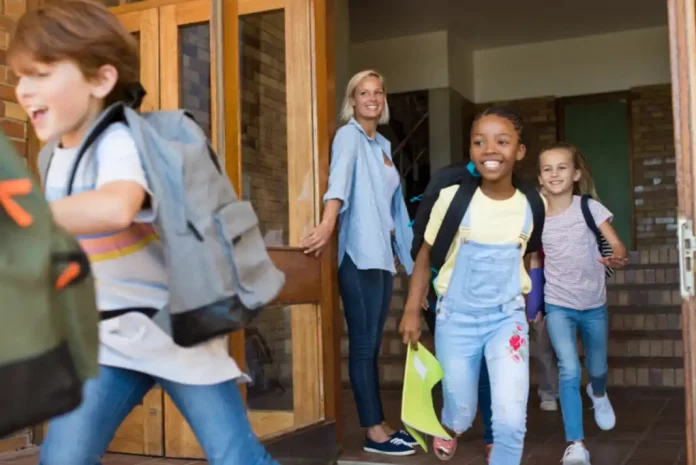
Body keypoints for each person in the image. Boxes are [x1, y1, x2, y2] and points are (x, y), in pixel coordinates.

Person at [8, 2, 279, 464]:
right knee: (62, 459)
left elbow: (118, 205)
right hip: (109, 343)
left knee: (236, 456)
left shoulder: (119, 140)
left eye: (42, 73)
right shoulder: (54, 158)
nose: (24, 90)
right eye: (19, 76)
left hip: (176, 335)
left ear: (100, 79)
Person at [400, 107, 543, 465]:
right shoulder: (453, 200)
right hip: (456, 319)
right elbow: (424, 257)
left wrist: (526, 302)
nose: (490, 150)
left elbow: (524, 255)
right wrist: (411, 310)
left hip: (506, 319)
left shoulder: (531, 205)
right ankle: (449, 423)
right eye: (479, 142)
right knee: (461, 413)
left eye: (502, 141)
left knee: (511, 419)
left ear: (520, 151)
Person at [301, 70, 417, 456]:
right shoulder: (349, 136)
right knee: (364, 345)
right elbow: (339, 181)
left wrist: (407, 258)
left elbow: (394, 209)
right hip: (358, 255)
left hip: (381, 258)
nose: (372, 98)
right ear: (352, 101)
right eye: (364, 93)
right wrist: (327, 225)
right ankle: (374, 432)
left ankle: (380, 424)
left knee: (372, 346)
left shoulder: (381, 144)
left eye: (378, 92)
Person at [537, 142, 628, 465]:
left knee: (597, 368)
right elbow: (532, 257)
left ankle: (599, 393)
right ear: (540, 177)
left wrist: (617, 257)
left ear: (575, 174)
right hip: (558, 305)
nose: (554, 174)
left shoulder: (589, 208)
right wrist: (532, 298)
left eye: (562, 167)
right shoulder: (536, 214)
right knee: (570, 370)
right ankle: (575, 444)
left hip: (593, 304)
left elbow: (617, 246)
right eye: (547, 168)